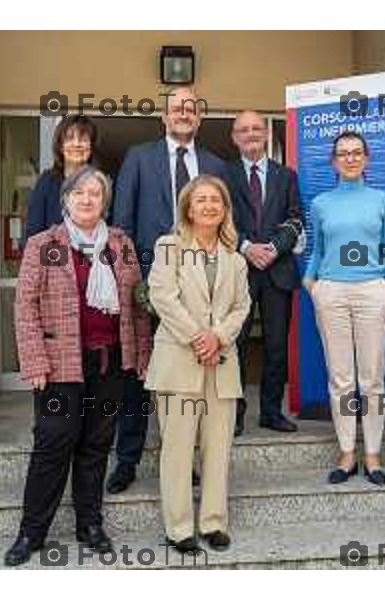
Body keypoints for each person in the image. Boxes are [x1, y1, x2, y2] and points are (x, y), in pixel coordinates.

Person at [4, 166, 151, 567]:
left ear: (105, 202)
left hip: (109, 363)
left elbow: (137, 307)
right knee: (54, 444)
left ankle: (90, 523)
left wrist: (141, 355)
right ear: (66, 198)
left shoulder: (120, 244)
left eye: (95, 194)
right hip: (58, 364)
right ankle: (31, 532)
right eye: (79, 192)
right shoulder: (43, 243)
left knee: (97, 444)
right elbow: (25, 308)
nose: (87, 199)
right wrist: (33, 359)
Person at [109, 86, 226, 494]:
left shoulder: (215, 164)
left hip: (199, 295)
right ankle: (127, 458)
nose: (183, 114)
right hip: (146, 288)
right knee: (138, 374)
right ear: (164, 116)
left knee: (191, 378)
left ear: (199, 118)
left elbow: (224, 228)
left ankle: (184, 459)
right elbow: (121, 224)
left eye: (191, 108)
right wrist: (132, 283)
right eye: (176, 108)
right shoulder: (138, 158)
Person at [146, 175, 250, 554]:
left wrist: (218, 337)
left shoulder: (235, 259)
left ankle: (213, 522)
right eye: (201, 200)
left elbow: (243, 307)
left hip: (221, 365)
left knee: (217, 446)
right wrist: (198, 336)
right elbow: (163, 296)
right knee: (177, 447)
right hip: (179, 361)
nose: (208, 206)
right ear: (188, 208)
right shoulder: (169, 246)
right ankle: (178, 528)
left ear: (225, 210)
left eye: (216, 201)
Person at [303, 131, 385, 486]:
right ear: (334, 162)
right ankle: (347, 452)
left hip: (373, 290)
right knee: (341, 378)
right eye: (343, 153)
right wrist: (311, 283)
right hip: (331, 291)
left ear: (367, 159)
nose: (351, 158)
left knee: (371, 378)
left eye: (357, 153)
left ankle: (372, 453)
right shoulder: (321, 203)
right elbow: (318, 248)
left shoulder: (382, 200)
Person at [226, 110, 303, 435]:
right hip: (237, 270)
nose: (251, 133)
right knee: (236, 344)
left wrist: (273, 247)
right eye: (243, 129)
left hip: (277, 270)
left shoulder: (286, 176)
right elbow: (217, 219)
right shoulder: (222, 174)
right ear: (234, 137)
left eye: (257, 128)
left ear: (266, 134)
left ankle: (271, 412)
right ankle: (235, 414)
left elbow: (297, 218)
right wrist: (246, 246)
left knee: (275, 346)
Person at [26, 115, 97, 239]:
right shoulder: (46, 182)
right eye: (70, 138)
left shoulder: (101, 182)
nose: (77, 144)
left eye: (83, 139)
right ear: (60, 146)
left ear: (91, 146)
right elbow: (33, 232)